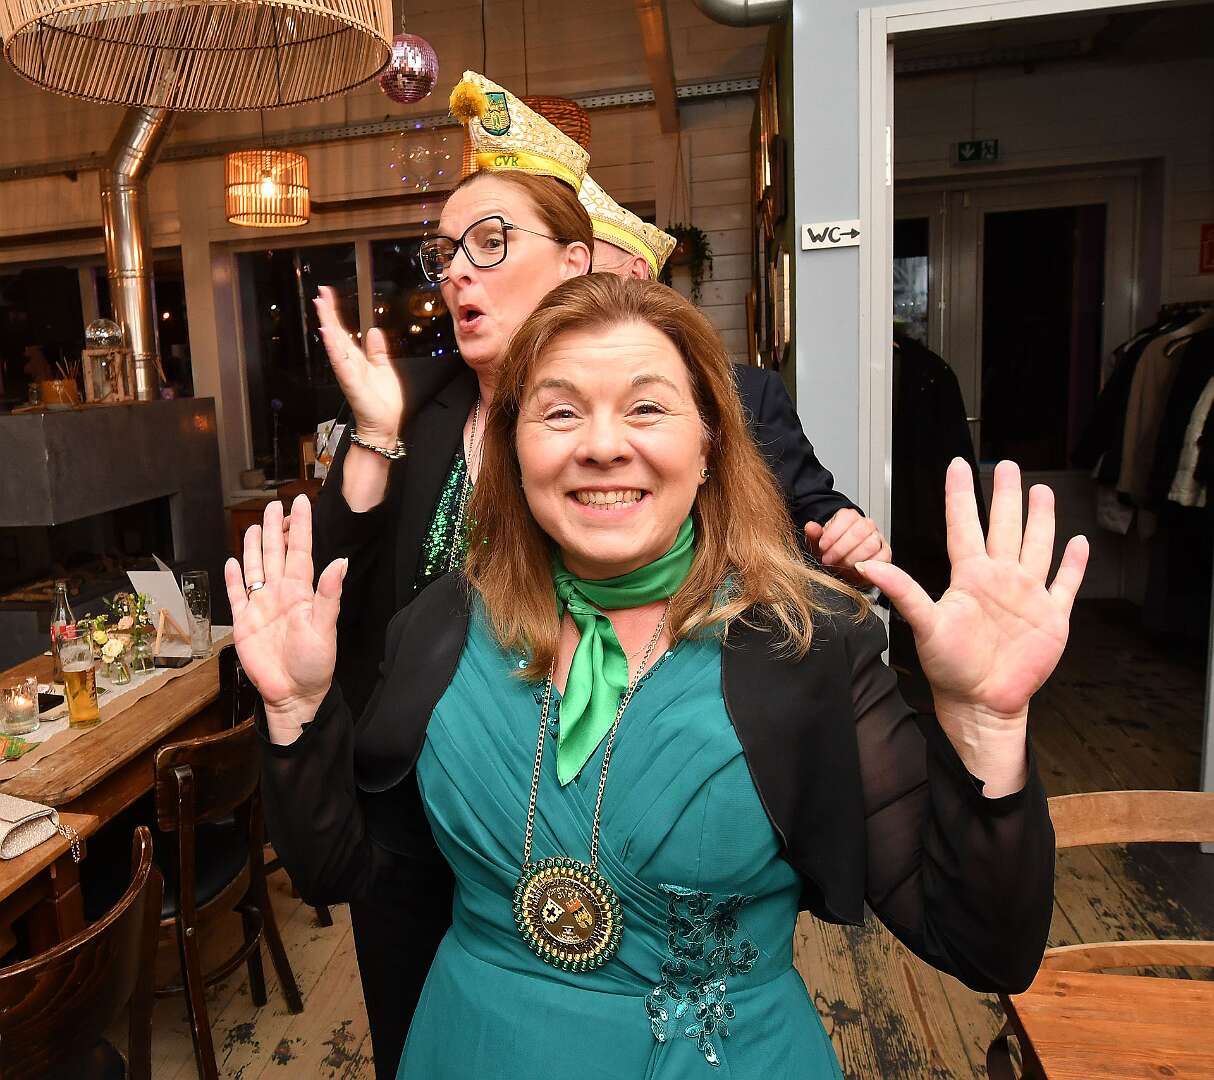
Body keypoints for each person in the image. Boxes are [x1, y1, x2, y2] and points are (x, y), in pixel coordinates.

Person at [236, 274, 1087, 1078]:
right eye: (560, 412)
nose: (604, 446)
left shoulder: (808, 642)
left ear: (710, 442)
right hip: (469, 1045)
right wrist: (297, 710)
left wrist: (985, 725)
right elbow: (337, 874)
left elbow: (983, 949)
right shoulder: (442, 625)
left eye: (646, 407)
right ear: (514, 446)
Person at [307, 70, 887, 1077]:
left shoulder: (708, 392)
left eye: (491, 244)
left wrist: (840, 535)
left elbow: (790, 510)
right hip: (429, 800)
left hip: (632, 806)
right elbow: (329, 598)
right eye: (445, 254)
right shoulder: (415, 403)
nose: (458, 275)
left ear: (575, 262)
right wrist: (373, 438)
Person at [579, 172, 888, 573]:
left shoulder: (749, 393)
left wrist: (845, 538)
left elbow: (812, 505)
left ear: (635, 274)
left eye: (582, 269)